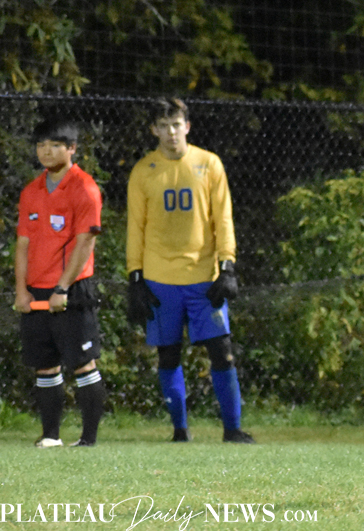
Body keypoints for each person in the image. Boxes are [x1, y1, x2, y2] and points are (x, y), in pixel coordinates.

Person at [126, 97, 254, 444]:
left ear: (187, 126)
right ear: (154, 130)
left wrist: (227, 265)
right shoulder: (143, 171)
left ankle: (232, 430)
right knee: (168, 354)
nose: (171, 132)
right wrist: (135, 275)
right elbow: (136, 227)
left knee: (222, 351)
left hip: (203, 278)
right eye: (163, 126)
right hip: (159, 278)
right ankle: (179, 432)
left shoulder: (209, 164)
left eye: (176, 124)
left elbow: (223, 218)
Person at [14, 118, 106, 448]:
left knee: (83, 363)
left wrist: (62, 287)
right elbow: (23, 243)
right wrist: (21, 290)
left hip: (71, 289)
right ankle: (50, 436)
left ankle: (88, 440)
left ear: (72, 149)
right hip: (36, 291)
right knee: (45, 365)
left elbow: (86, 242)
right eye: (41, 145)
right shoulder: (31, 191)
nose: (46, 151)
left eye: (55, 145)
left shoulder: (85, 187)